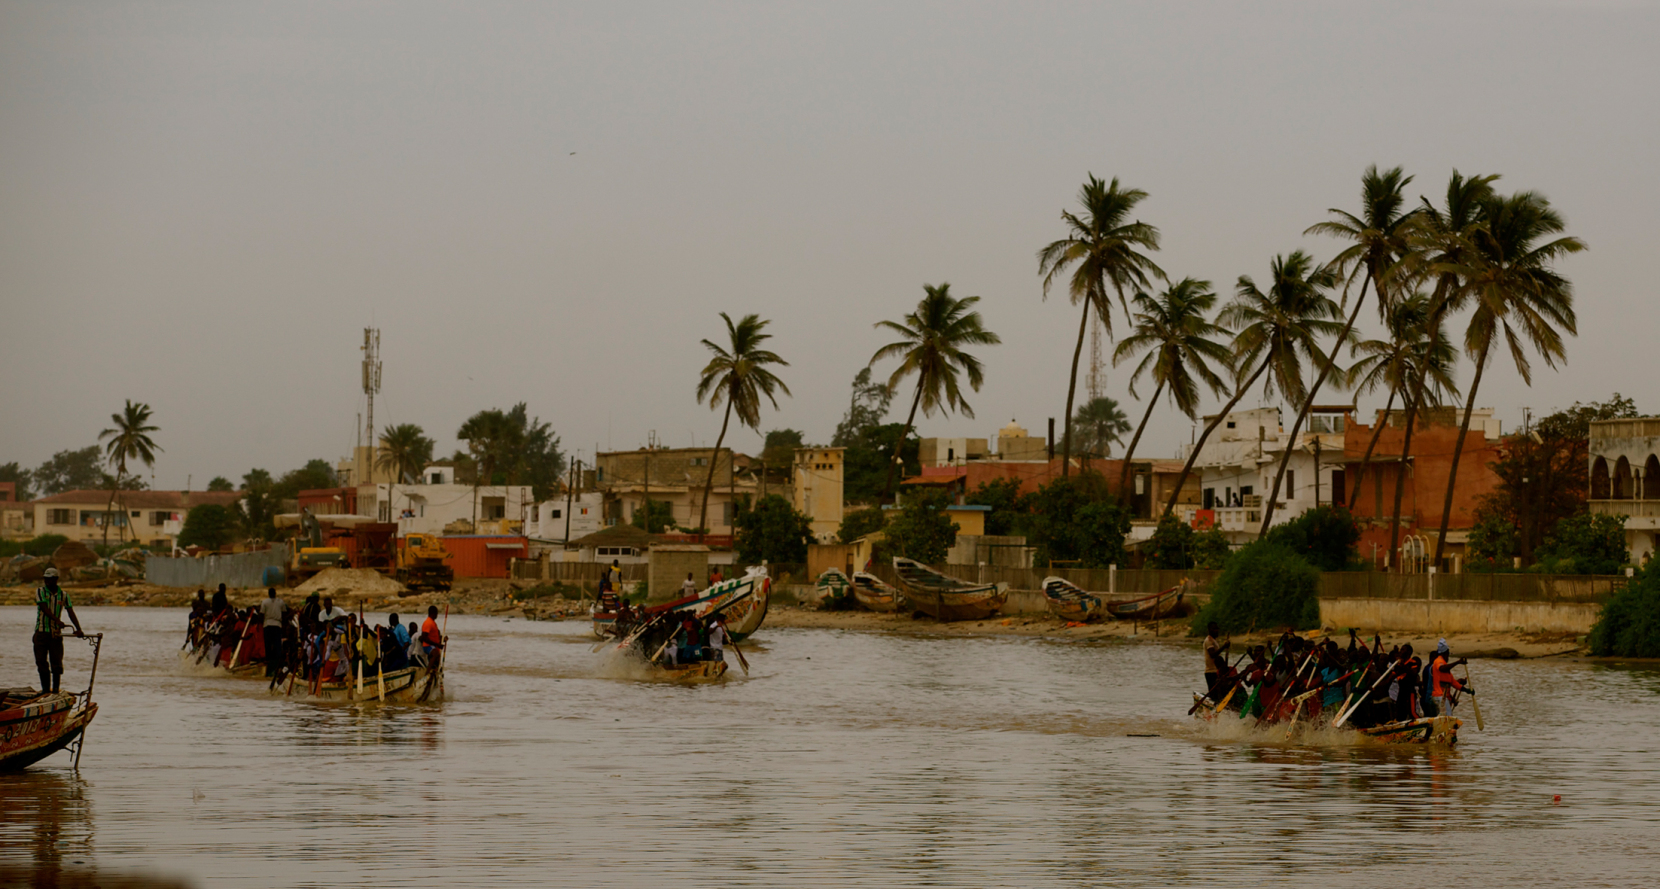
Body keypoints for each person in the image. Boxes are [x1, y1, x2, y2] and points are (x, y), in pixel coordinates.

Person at [34, 568, 85, 694]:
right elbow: (44, 609)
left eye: (50, 579)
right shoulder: (40, 592)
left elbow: (70, 612)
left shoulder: (63, 595)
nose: (47, 582)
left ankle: (55, 689)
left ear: (56, 579)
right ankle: (46, 690)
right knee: (42, 663)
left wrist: (78, 629)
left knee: (56, 663)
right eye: (45, 579)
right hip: (41, 632)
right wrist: (57, 620)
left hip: (55, 634)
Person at [1428, 639, 1471, 716]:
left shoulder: (1447, 669)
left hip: (1443, 698)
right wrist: (1458, 662)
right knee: (1448, 717)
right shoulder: (1438, 661)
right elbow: (1442, 668)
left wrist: (1467, 690)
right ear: (1445, 653)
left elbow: (1454, 683)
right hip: (1439, 697)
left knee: (1446, 717)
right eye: (1448, 654)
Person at [260, 588, 286, 678]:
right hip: (277, 624)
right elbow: (284, 613)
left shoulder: (264, 602)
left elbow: (262, 614)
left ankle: (268, 659)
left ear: (268, 594)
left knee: (268, 643)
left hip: (267, 624)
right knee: (277, 643)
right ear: (275, 593)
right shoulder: (281, 602)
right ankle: (277, 659)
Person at [1202, 622, 1228, 693]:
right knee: (1213, 693)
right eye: (1214, 629)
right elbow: (1212, 655)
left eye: (1217, 629)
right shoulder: (1209, 640)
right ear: (1209, 630)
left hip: (1217, 671)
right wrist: (1224, 647)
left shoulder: (1214, 640)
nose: (1216, 631)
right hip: (1211, 671)